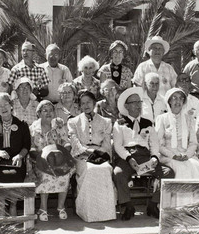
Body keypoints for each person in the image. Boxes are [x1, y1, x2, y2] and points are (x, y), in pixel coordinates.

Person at [113, 87, 175, 220]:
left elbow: (154, 144)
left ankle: (153, 204)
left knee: (168, 173)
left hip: (145, 157)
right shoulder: (119, 123)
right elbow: (117, 145)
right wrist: (129, 158)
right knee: (118, 173)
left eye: (139, 102)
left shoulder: (148, 123)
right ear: (126, 106)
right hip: (127, 157)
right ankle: (128, 206)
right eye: (134, 103)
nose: (138, 105)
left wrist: (154, 157)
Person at [155, 88, 199, 206]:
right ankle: (181, 206)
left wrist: (186, 155)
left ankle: (197, 206)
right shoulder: (162, 119)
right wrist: (174, 155)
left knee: (197, 167)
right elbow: (159, 145)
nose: (177, 101)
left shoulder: (189, 119)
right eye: (174, 98)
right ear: (169, 101)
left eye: (181, 98)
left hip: (187, 155)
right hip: (168, 155)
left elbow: (193, 143)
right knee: (182, 169)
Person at [68, 90, 117, 222]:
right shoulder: (73, 122)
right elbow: (74, 141)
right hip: (81, 155)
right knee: (90, 169)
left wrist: (99, 153)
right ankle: (88, 212)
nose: (86, 105)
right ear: (79, 105)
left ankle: (105, 212)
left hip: (100, 154)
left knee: (105, 169)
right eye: (83, 103)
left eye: (88, 102)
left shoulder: (106, 121)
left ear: (94, 102)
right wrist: (86, 151)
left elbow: (107, 144)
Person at [0, 92, 31, 216]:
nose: (3, 108)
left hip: (17, 162)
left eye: (5, 104)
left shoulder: (22, 124)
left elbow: (27, 146)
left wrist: (20, 156)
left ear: (11, 105)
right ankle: (1, 208)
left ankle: (13, 206)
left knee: (15, 175)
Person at [29, 100, 75, 221]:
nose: (48, 113)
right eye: (45, 110)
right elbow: (31, 148)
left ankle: (61, 207)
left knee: (65, 173)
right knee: (45, 174)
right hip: (40, 161)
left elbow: (66, 141)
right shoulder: (33, 128)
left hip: (59, 160)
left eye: (51, 110)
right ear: (38, 113)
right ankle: (43, 208)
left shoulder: (58, 125)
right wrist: (41, 158)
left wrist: (66, 151)